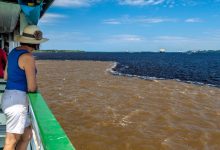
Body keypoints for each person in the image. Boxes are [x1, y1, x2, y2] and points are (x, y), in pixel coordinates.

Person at [1, 25, 48, 150]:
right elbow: (32, 87)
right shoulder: (28, 57)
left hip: (9, 97)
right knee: (11, 141)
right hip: (18, 102)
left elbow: (6, 76)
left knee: (27, 135)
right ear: (36, 43)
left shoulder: (13, 52)